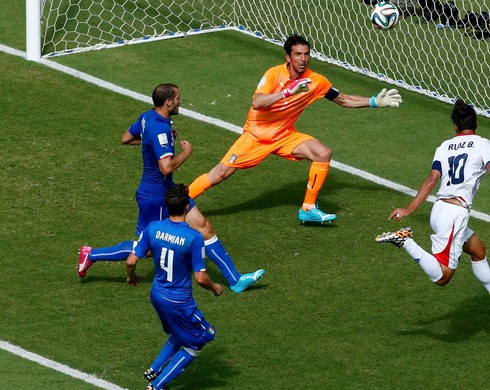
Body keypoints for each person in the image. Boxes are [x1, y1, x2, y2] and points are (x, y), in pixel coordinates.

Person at [189, 34, 402, 223]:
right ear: (288, 58)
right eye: (298, 54)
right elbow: (258, 103)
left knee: (322, 153)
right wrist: (288, 93)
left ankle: (308, 208)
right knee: (219, 175)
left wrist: (374, 101)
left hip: (284, 135)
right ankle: (176, 203)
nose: (303, 59)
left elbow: (344, 100)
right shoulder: (274, 74)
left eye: (306, 54)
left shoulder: (316, 81)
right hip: (256, 136)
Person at [77, 83, 264, 293]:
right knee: (146, 250)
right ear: (168, 102)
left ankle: (235, 279)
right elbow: (165, 167)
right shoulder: (159, 129)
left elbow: (126, 138)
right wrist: (186, 152)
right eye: (177, 98)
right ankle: (91, 254)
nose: (180, 101)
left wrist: (152, 142)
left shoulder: (147, 117)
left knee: (204, 228)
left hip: (168, 190)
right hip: (155, 197)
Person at [375, 98, 490, 315]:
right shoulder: (484, 144)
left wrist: (408, 209)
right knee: (443, 277)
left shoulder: (444, 146)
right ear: (476, 123)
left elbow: (432, 180)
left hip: (439, 210)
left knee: (478, 250)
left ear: (455, 127)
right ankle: (406, 241)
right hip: (454, 214)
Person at [126, 184, 222, 390]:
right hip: (180, 301)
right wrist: (214, 287)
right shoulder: (194, 238)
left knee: (180, 331)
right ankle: (157, 386)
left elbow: (131, 261)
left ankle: (154, 369)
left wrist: (131, 276)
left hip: (157, 295)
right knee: (203, 337)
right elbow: (201, 277)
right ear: (187, 207)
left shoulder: (153, 227)